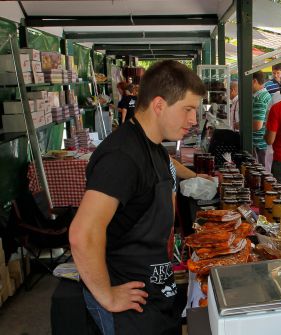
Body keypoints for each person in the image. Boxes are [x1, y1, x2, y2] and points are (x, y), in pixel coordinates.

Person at [69, 60, 206, 334]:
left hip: (153, 291)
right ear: (158, 105)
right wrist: (107, 295)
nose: (194, 120)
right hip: (127, 303)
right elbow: (82, 233)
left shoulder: (152, 145)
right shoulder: (121, 157)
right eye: (188, 109)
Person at [251, 71, 272, 168]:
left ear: (254, 81)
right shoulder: (264, 95)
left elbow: (257, 125)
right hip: (261, 144)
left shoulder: (259, 98)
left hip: (259, 144)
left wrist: (240, 125)